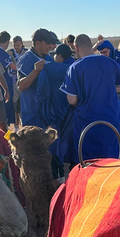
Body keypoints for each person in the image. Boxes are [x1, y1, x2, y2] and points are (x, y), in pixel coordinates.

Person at [59, 34, 120, 164]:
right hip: (111, 119)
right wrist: (107, 89)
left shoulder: (75, 67)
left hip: (86, 122)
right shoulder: (110, 62)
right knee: (111, 161)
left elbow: (71, 100)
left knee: (88, 163)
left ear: (76, 47)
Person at [37, 44, 73, 181]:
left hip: (53, 113)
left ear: (59, 56)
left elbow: (42, 91)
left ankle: (56, 178)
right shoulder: (75, 67)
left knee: (54, 144)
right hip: (72, 114)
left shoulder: (50, 68)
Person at [17, 28, 58, 128]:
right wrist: (35, 71)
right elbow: (21, 86)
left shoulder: (48, 58)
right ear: (38, 43)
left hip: (46, 112)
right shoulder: (26, 58)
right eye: (48, 43)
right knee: (33, 141)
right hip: (32, 112)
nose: (50, 46)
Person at [97, 40, 120, 142]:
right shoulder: (100, 64)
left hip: (117, 99)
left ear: (111, 51)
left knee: (115, 124)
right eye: (101, 53)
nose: (103, 55)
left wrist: (111, 89)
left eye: (105, 52)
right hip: (102, 100)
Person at [0, 31, 18, 126]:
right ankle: (4, 135)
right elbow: (14, 66)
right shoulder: (0, 52)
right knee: (4, 113)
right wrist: (12, 57)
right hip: (4, 84)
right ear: (7, 41)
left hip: (3, 84)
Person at [9, 36, 28, 130]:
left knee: (25, 103)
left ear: (22, 44)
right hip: (14, 81)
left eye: (18, 45)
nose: (16, 47)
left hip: (25, 81)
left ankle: (24, 123)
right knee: (16, 104)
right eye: (14, 45)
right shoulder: (10, 53)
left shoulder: (27, 53)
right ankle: (16, 127)